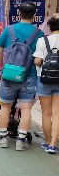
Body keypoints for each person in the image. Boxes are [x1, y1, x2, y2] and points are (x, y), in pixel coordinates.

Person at [0, 2, 43, 150]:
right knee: (26, 107)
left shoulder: (9, 30)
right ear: (34, 16)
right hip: (29, 75)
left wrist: (3, 67)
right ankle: (20, 141)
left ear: (18, 15)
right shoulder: (38, 33)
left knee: (5, 106)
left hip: (9, 74)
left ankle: (2, 138)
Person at [34, 16, 59, 154]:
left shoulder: (42, 41)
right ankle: (53, 144)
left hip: (43, 79)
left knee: (46, 113)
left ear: (50, 27)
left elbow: (38, 61)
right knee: (57, 113)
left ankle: (48, 141)